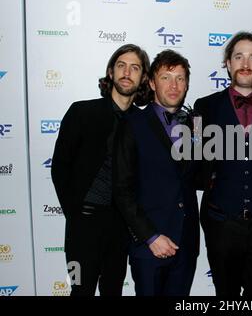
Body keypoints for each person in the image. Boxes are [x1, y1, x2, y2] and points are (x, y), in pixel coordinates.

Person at [51, 44, 152, 296]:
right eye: (121, 66)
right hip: (82, 227)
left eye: (135, 68)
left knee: (113, 291)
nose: (127, 72)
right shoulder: (81, 112)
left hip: (120, 228)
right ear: (110, 72)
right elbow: (60, 168)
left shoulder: (143, 124)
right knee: (79, 290)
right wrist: (75, 214)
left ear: (143, 79)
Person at [194, 32, 252, 296]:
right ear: (228, 63)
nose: (246, 63)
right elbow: (195, 157)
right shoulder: (204, 107)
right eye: (239, 56)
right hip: (221, 224)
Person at [113, 49, 199, 296]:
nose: (174, 85)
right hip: (149, 247)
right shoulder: (131, 124)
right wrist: (150, 237)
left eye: (180, 78)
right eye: (166, 77)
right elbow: (122, 190)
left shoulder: (195, 124)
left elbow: (199, 176)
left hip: (185, 243)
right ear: (151, 82)